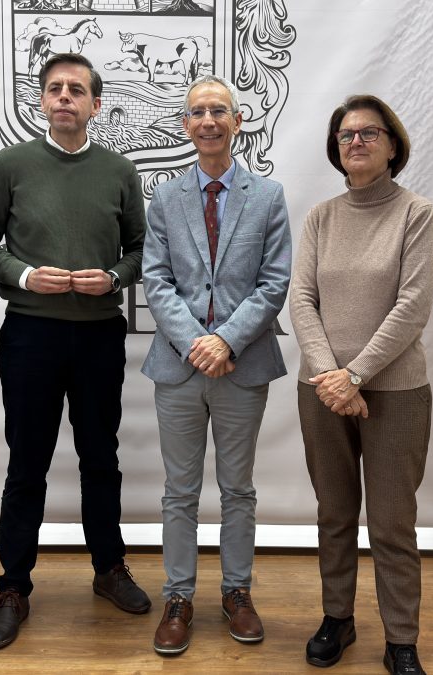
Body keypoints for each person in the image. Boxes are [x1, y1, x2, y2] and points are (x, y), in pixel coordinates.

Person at [0, 52, 150, 650]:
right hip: (30, 334)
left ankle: (108, 569)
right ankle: (14, 587)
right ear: (41, 102)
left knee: (101, 457)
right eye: (55, 89)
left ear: (96, 104)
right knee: (28, 462)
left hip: (99, 333)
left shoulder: (120, 171)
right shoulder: (9, 165)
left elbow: (139, 249)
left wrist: (116, 279)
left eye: (77, 90)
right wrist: (23, 276)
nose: (65, 97)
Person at [141, 74, 292, 655]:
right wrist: (194, 342)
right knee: (179, 492)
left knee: (238, 490)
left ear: (237, 121)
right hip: (179, 369)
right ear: (185, 125)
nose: (208, 120)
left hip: (242, 366)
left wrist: (224, 341)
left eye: (219, 111)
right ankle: (177, 597)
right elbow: (155, 280)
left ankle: (237, 592)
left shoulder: (268, 196)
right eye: (198, 112)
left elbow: (274, 282)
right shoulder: (166, 197)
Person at [289, 95, 433, 675]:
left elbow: (413, 306)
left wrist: (354, 375)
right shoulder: (321, 217)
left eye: (369, 133)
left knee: (394, 520)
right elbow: (302, 299)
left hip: (395, 392)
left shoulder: (416, 213)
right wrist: (332, 378)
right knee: (335, 511)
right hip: (321, 391)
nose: (356, 142)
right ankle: (338, 618)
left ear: (393, 145)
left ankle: (402, 638)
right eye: (347, 135)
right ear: (336, 148)